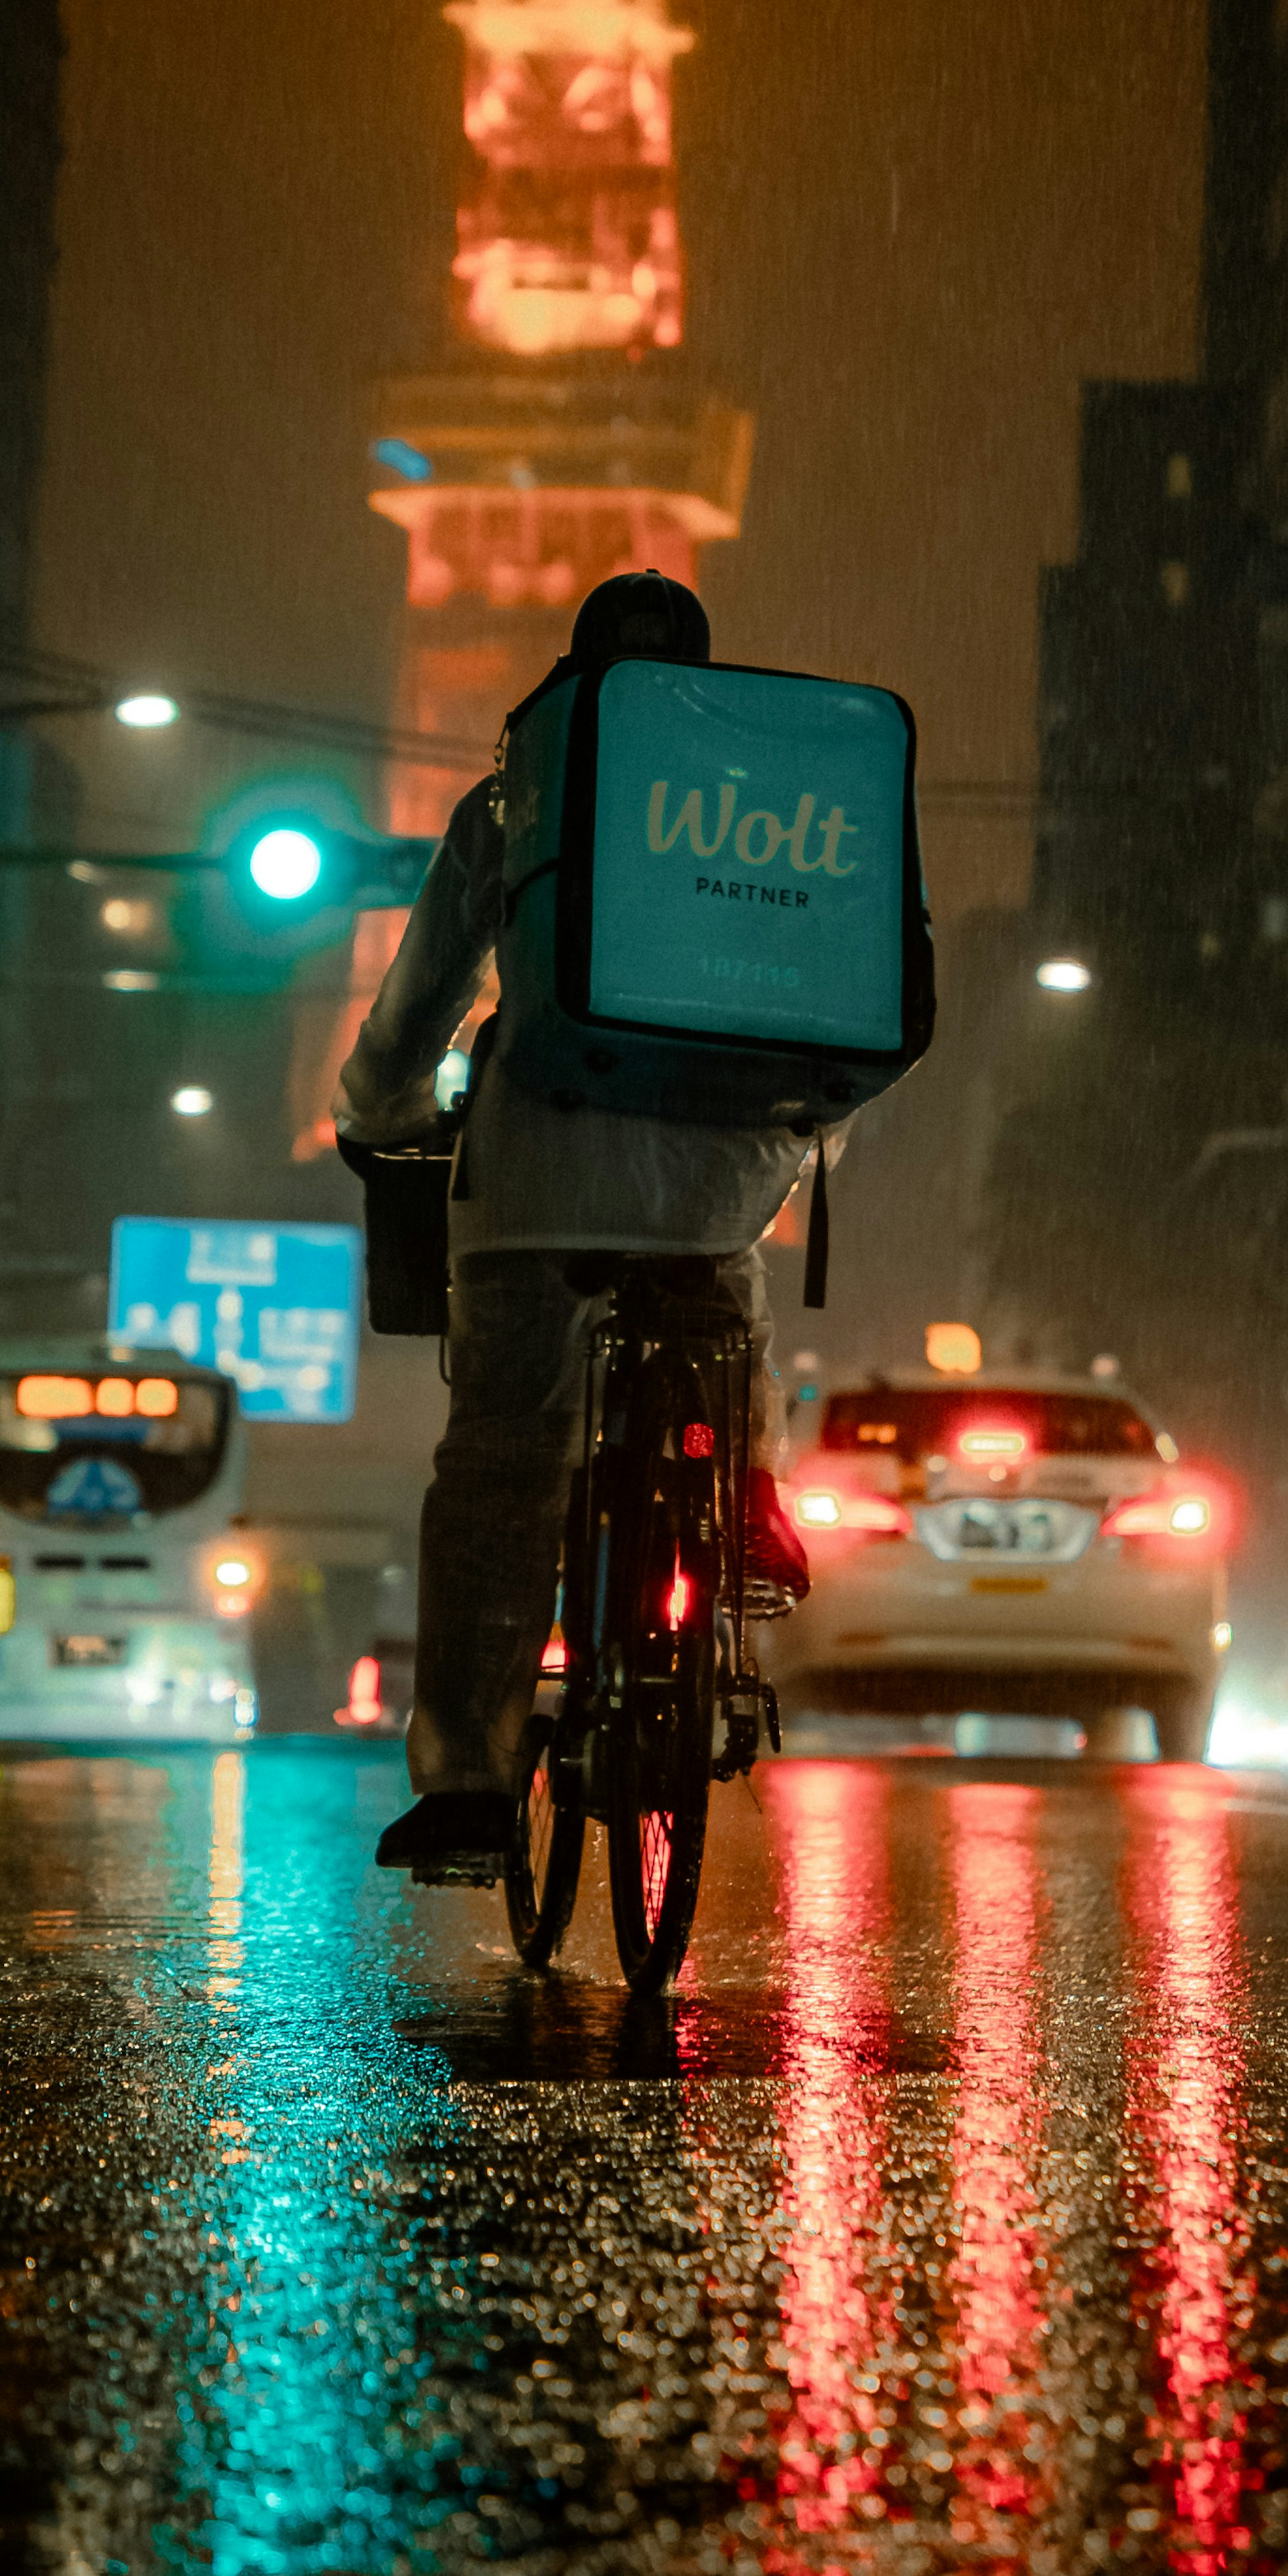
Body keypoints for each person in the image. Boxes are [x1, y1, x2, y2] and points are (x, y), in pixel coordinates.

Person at [340, 569, 825, 1883]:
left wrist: (376, 1109)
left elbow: (419, 999)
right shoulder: (772, 803)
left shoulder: (514, 806)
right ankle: (746, 1498)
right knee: (727, 1287)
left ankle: (469, 1787)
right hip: (727, 1164)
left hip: (538, 1178)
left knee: (501, 1469)